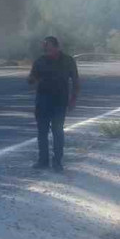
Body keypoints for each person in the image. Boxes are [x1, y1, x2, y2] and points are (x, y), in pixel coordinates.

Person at [28, 36, 80, 172]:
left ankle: (57, 161)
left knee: (57, 131)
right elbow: (31, 78)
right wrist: (32, 79)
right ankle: (43, 160)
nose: (46, 49)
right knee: (42, 132)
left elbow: (75, 81)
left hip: (59, 102)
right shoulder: (40, 61)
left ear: (56, 47)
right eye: (44, 46)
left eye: (48, 46)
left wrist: (73, 100)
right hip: (42, 101)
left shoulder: (68, 61)